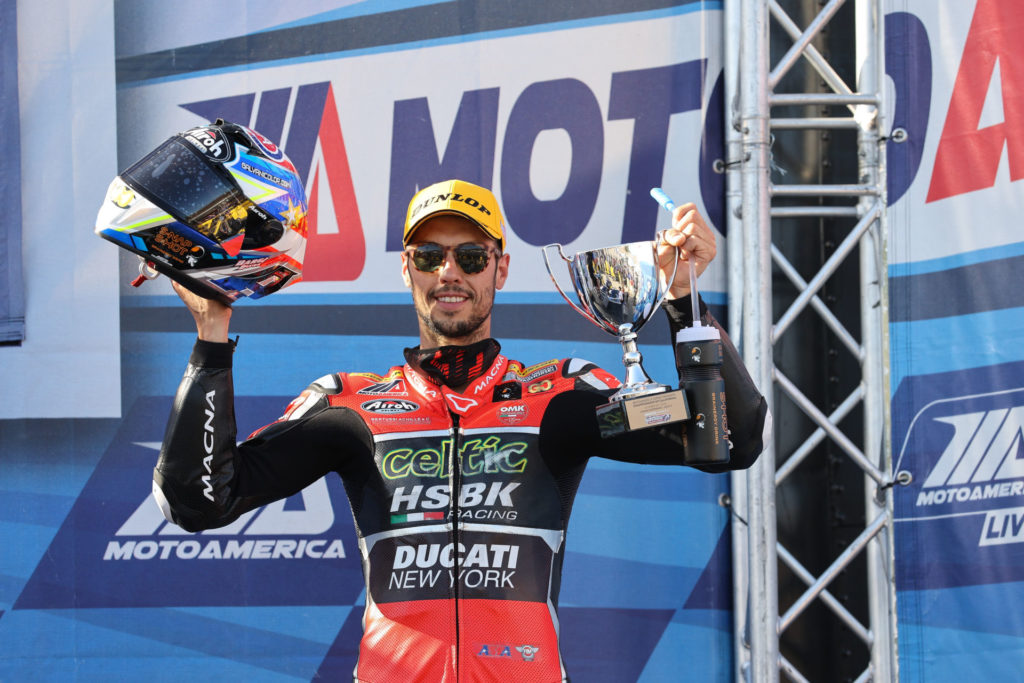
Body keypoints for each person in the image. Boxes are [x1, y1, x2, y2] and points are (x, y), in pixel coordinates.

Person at [153, 178, 769, 682]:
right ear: (407, 270)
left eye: (471, 256)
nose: (450, 272)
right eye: (431, 256)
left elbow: (730, 439)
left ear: (499, 270)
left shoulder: (560, 394)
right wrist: (211, 336)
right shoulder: (348, 404)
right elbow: (199, 501)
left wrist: (683, 299)